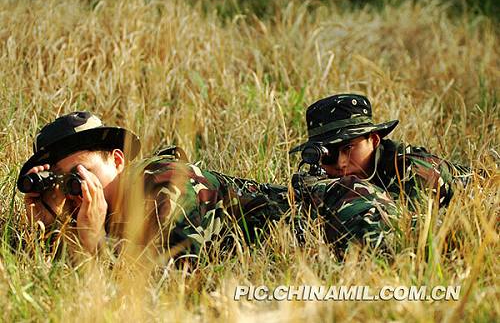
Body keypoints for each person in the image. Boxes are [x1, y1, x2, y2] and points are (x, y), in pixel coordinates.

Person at [18, 111, 399, 261]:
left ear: (117, 160)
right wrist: (49, 222)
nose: (77, 186)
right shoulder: (99, 212)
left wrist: (91, 243)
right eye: (65, 181)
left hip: (340, 209)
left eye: (82, 171)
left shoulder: (160, 180)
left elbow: (170, 276)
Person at [289, 93, 474, 214]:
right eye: (329, 154)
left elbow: (399, 229)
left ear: (374, 140)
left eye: (348, 148)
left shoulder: (414, 170)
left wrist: (325, 196)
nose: (341, 163)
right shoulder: (328, 174)